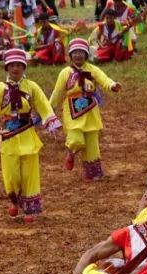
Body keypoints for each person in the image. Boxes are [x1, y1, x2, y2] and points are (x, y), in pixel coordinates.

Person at [0, 47, 61, 222]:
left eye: (19, 65)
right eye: (12, 65)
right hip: (8, 135)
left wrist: (50, 120)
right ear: (6, 68)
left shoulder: (31, 86)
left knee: (30, 173)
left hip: (28, 133)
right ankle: (14, 199)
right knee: (12, 174)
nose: (15, 68)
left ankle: (31, 208)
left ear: (24, 67)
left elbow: (43, 104)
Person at [49, 38, 121, 182]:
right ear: (70, 55)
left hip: (90, 109)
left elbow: (104, 79)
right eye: (75, 53)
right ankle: (71, 152)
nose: (78, 55)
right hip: (72, 110)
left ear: (86, 54)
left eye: (81, 52)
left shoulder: (92, 69)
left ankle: (92, 173)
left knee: (91, 144)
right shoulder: (65, 72)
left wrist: (112, 85)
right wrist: (48, 110)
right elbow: (57, 92)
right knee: (76, 139)